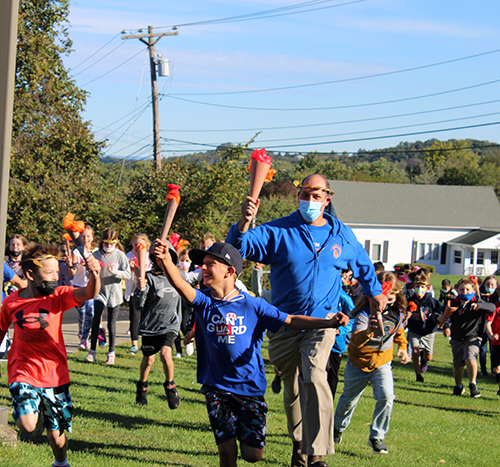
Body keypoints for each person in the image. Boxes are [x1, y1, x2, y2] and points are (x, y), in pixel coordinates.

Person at [226, 174, 385, 467]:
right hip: (286, 322)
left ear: (327, 200)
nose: (309, 201)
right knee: (293, 389)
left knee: (314, 374)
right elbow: (237, 250)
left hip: (324, 321)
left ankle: (317, 455)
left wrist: (375, 293)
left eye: (316, 196)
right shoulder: (279, 230)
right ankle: (300, 443)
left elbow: (363, 264)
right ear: (298, 196)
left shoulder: (341, 235)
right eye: (305, 194)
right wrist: (244, 222)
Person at [153, 239, 349, 467]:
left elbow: (291, 320)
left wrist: (327, 323)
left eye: (209, 264)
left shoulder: (253, 305)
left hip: (250, 389)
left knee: (252, 455)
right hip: (217, 388)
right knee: (226, 453)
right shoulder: (204, 303)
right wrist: (167, 259)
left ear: (230, 271)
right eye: (202, 264)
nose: (203, 269)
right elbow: (180, 284)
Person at [0, 242, 101, 467]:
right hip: (22, 371)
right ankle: (34, 417)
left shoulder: (58, 296)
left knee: (56, 437)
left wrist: (95, 274)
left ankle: (61, 463)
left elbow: (88, 292)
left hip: (55, 376)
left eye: (57, 271)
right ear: (31, 274)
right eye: (49, 273)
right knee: (27, 426)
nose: (56, 277)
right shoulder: (11, 302)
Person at [334, 271, 410, 455]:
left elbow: (398, 331)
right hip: (358, 362)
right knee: (349, 400)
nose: (386, 302)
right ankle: (337, 429)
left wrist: (403, 347)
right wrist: (369, 330)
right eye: (383, 298)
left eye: (391, 298)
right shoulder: (363, 314)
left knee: (386, 396)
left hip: (382, 362)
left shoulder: (397, 313)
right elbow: (355, 341)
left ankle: (377, 436)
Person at [134, 242, 182, 408]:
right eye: (157, 257)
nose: (160, 260)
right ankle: (142, 386)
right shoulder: (149, 277)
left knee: (165, 355)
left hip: (170, 324)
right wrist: (140, 290)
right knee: (148, 361)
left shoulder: (178, 274)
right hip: (151, 325)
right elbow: (138, 304)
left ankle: (170, 387)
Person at [437, 277, 495, 397]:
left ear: (473, 290)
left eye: (468, 289)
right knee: (458, 366)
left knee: (470, 358)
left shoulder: (477, 302)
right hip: (457, 338)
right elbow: (439, 314)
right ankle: (458, 386)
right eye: (462, 289)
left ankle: (473, 384)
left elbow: (492, 308)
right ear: (457, 290)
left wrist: (480, 307)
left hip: (472, 337)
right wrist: (442, 321)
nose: (465, 292)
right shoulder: (453, 303)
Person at [85, 228, 131, 365]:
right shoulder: (96, 254)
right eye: (106, 243)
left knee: (112, 323)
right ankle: (92, 351)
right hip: (100, 291)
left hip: (115, 294)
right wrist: (91, 272)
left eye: (112, 244)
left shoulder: (120, 255)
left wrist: (116, 272)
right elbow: (89, 274)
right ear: (102, 242)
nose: (109, 247)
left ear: (116, 243)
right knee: (96, 320)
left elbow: (127, 274)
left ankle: (111, 352)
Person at [405, 269, 444, 383]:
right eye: (417, 286)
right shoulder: (410, 300)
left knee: (428, 357)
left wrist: (443, 323)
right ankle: (418, 376)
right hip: (414, 330)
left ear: (427, 288)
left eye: (422, 287)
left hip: (428, 331)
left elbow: (441, 311)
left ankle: (425, 360)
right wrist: (406, 315)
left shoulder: (432, 301)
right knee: (415, 351)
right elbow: (403, 310)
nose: (419, 289)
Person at [326, 287, 354, 402]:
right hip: (316, 340)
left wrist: (340, 330)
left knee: (331, 376)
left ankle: (328, 405)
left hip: (336, 345)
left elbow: (353, 320)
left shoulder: (344, 298)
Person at [127, 233, 152, 356]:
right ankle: (134, 344)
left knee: (146, 317)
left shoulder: (150, 257)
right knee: (134, 317)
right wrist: (130, 267)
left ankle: (146, 342)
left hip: (148, 291)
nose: (137, 246)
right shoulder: (129, 256)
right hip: (133, 291)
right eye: (135, 244)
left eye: (140, 244)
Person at [71, 226, 96, 350]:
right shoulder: (76, 252)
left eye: (87, 236)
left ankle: (84, 338)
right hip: (78, 286)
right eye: (83, 236)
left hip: (90, 286)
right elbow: (73, 270)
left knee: (90, 312)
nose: (85, 239)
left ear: (92, 238)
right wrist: (73, 264)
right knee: (82, 312)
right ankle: (81, 333)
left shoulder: (95, 252)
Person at [478, 276, 498, 376]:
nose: (490, 287)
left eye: (492, 285)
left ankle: (493, 370)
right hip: (482, 326)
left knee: (493, 349)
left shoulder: (496, 297)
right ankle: (483, 370)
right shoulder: (481, 295)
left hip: (493, 327)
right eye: (488, 284)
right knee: (482, 349)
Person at [484, 276, 500, 396]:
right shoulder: (495, 308)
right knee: (496, 369)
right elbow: (487, 324)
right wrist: (490, 335)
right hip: (496, 341)